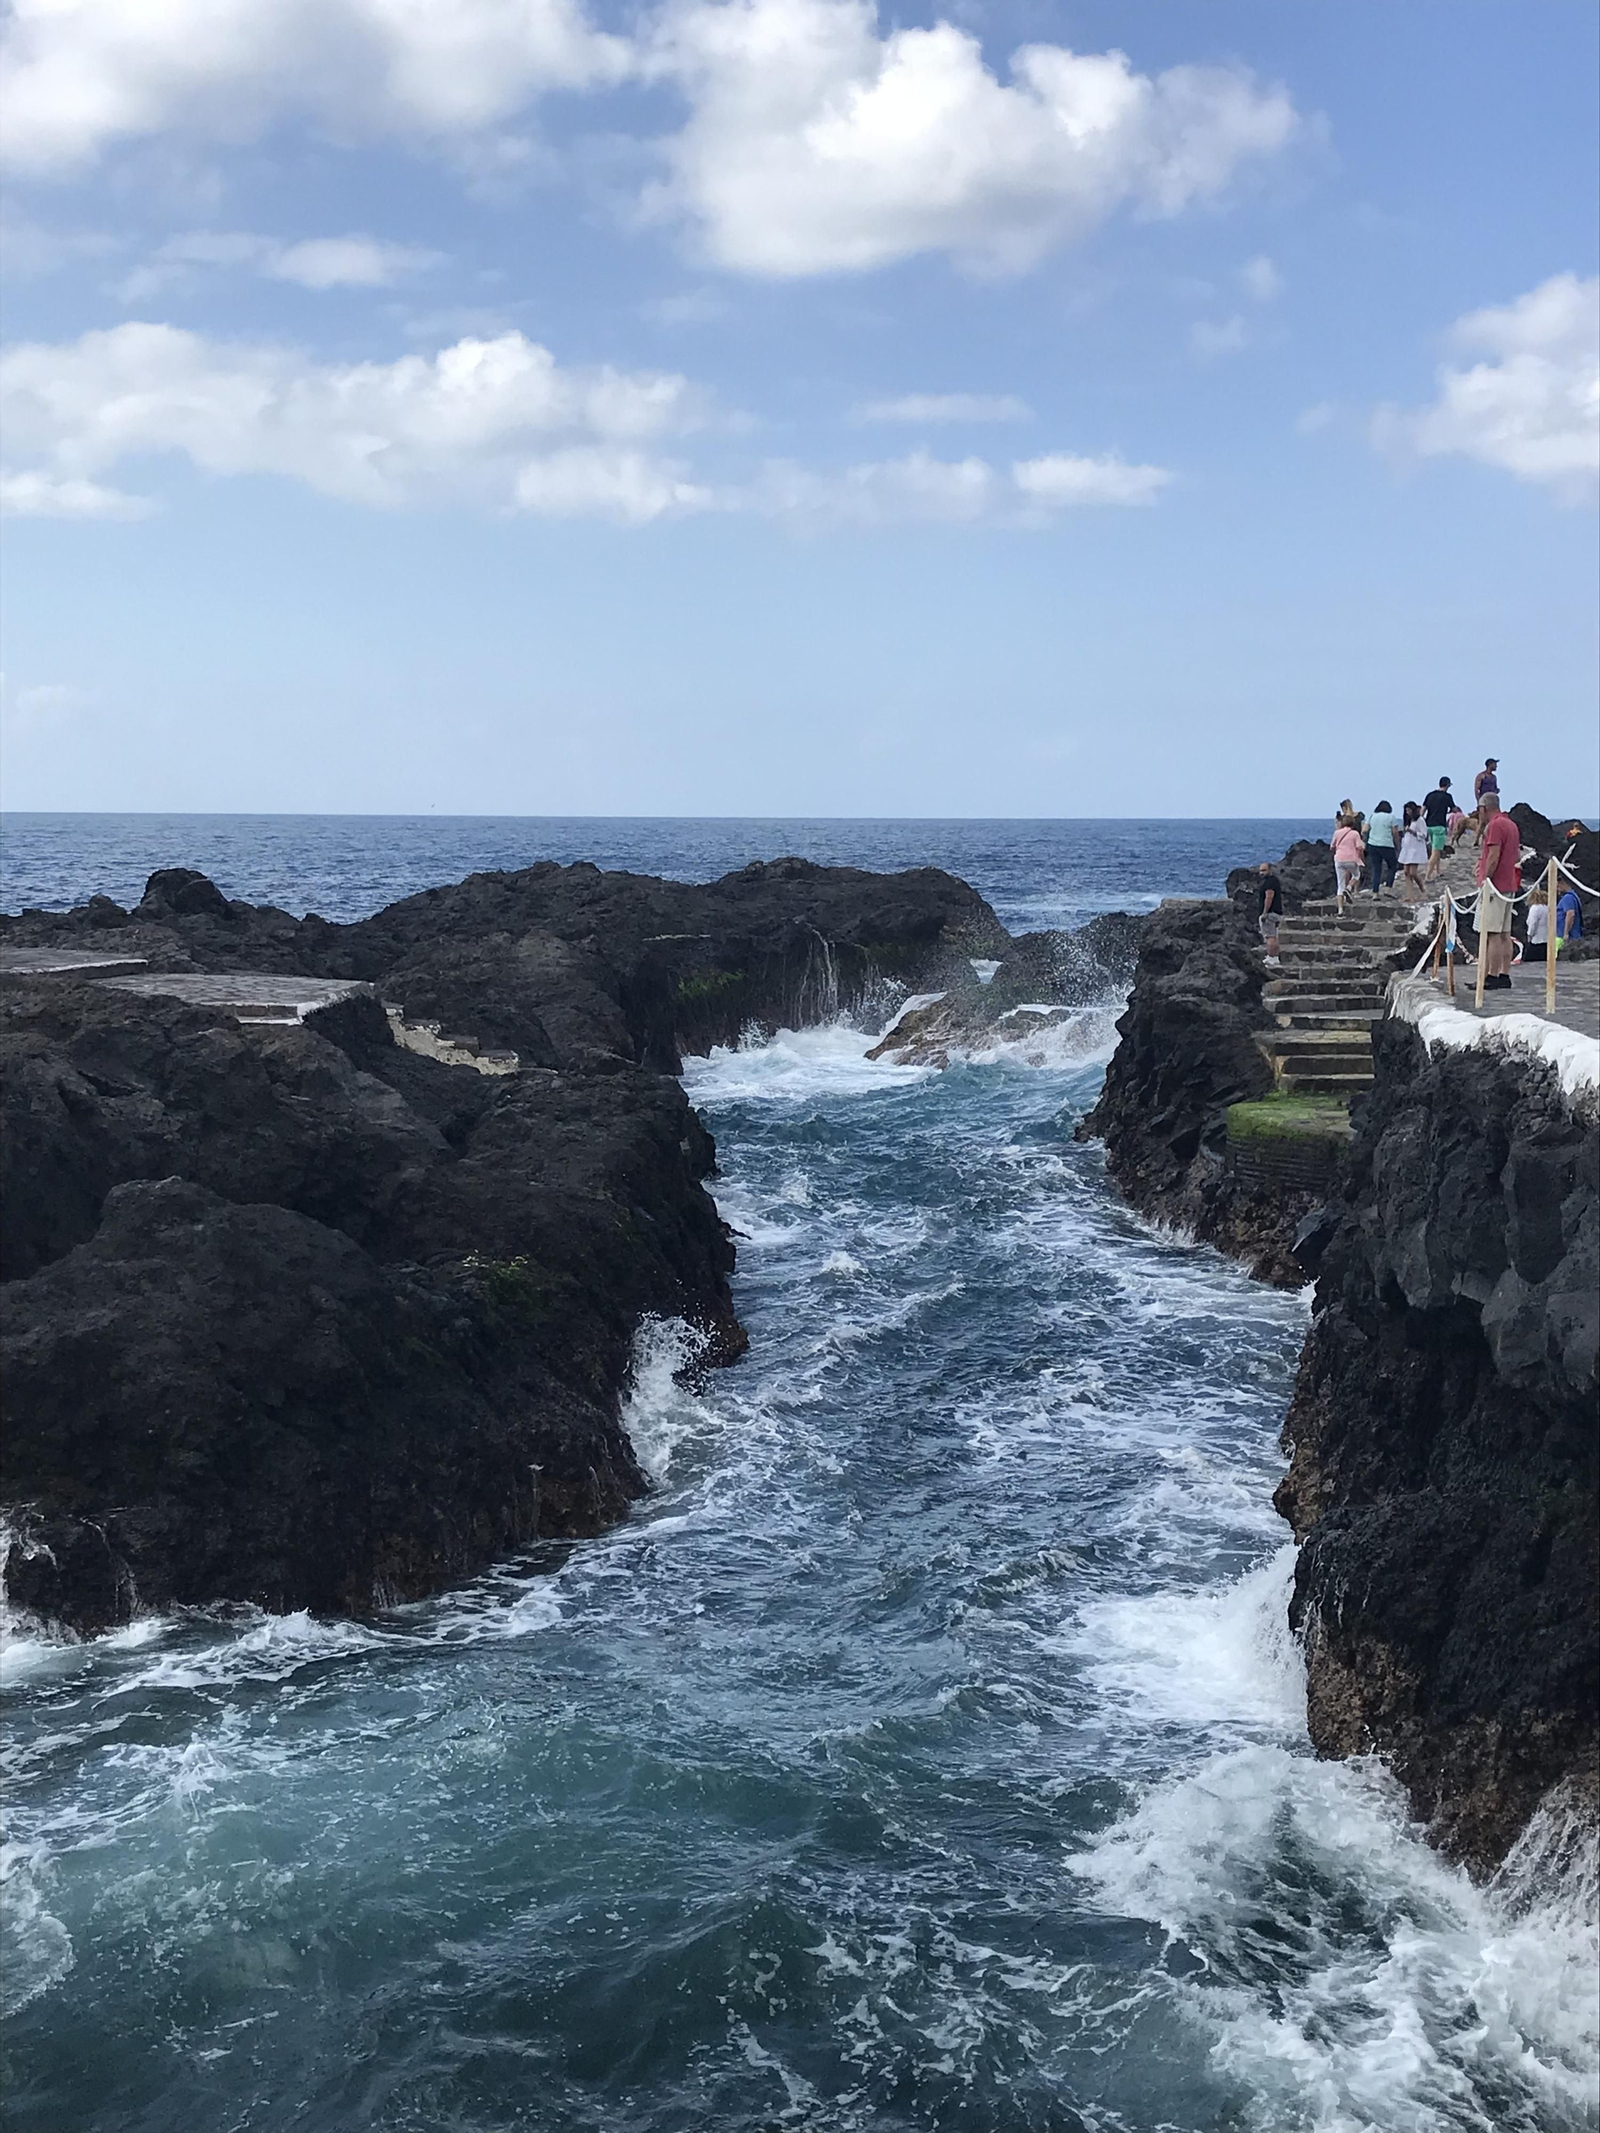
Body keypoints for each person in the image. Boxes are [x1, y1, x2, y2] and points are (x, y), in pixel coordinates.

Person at [1474, 796, 1521, 989]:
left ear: (1484, 808)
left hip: (1496, 886)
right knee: (1504, 933)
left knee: (1492, 933)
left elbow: (1493, 855)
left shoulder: (1495, 826)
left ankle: (1491, 976)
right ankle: (1504, 974)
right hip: (1509, 884)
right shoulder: (1511, 825)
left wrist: (1486, 877)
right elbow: (1516, 855)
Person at [1422, 776, 1453, 880]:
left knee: (1436, 849)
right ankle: (1428, 875)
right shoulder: (1447, 796)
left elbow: (1423, 810)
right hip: (1439, 826)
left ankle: (1438, 871)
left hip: (1429, 825)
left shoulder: (1430, 795)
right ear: (1447, 785)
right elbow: (1453, 808)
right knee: (1435, 851)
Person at [1366, 800, 1398, 893]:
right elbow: (1395, 833)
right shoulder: (1391, 817)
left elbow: (1364, 829)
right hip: (1387, 844)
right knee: (1392, 866)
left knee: (1376, 869)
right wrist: (1397, 845)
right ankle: (1388, 888)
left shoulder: (1372, 816)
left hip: (1373, 844)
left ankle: (1375, 892)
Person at [1332, 815, 1365, 904]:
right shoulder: (1355, 833)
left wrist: (1335, 854)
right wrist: (1361, 858)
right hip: (1352, 859)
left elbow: (1332, 846)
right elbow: (1359, 847)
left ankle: (1340, 910)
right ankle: (1349, 888)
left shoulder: (1337, 833)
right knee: (1356, 875)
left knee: (1340, 885)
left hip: (1339, 859)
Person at [1398, 802, 1429, 897]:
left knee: (1413, 872)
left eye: (1409, 810)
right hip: (1407, 847)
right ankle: (1409, 895)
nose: (1407, 812)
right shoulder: (1408, 820)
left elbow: (1424, 834)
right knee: (1406, 872)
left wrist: (1412, 832)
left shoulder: (1420, 820)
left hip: (1416, 848)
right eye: (1406, 811)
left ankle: (1422, 887)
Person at [1256, 862, 1283, 965]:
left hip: (1270, 914)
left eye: (1264, 870)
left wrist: (1264, 913)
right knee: (1274, 936)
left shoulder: (1269, 883)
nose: (1261, 873)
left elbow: (1269, 897)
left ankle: (1271, 956)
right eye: (1260, 871)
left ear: (1270, 870)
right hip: (1276, 912)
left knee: (1269, 936)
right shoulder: (1274, 881)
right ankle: (1275, 957)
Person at [1472, 759, 1500, 839]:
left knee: (1493, 819)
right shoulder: (1481, 776)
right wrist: (1478, 802)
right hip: (1484, 798)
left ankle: (1489, 837)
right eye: (1494, 764)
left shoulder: (1494, 777)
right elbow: (1476, 789)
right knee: (1482, 820)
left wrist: (1496, 791)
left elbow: (1494, 788)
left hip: (1493, 799)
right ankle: (1476, 840)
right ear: (1490, 764)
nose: (1496, 766)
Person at [1524, 886, 1551, 962]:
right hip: (1547, 940)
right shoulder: (1548, 908)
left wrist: (1529, 934)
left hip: (1536, 940)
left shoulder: (1535, 908)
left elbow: (1533, 923)